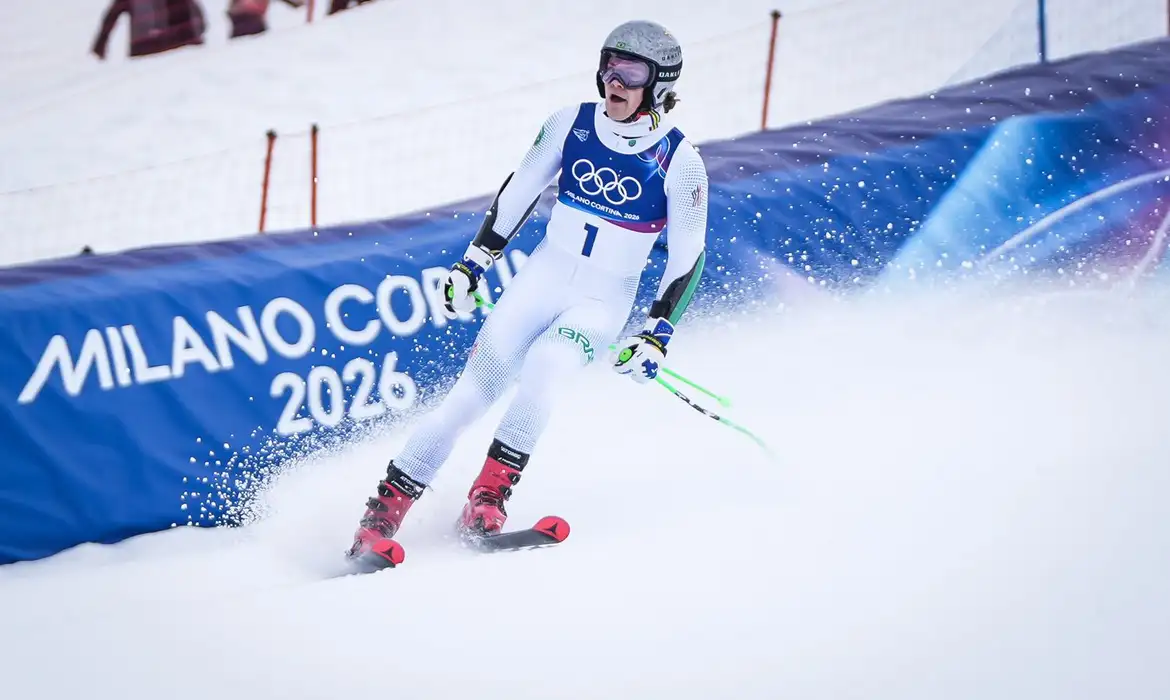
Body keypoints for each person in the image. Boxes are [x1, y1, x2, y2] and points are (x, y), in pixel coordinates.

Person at [346, 19, 709, 566]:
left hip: (601, 303)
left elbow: (688, 256)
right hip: (541, 280)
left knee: (546, 368)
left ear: (659, 85)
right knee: (469, 397)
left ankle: (487, 499)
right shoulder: (570, 123)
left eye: (631, 72)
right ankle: (378, 520)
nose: (614, 81)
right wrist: (473, 264)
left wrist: (657, 333)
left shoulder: (680, 161)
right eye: (609, 66)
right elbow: (520, 190)